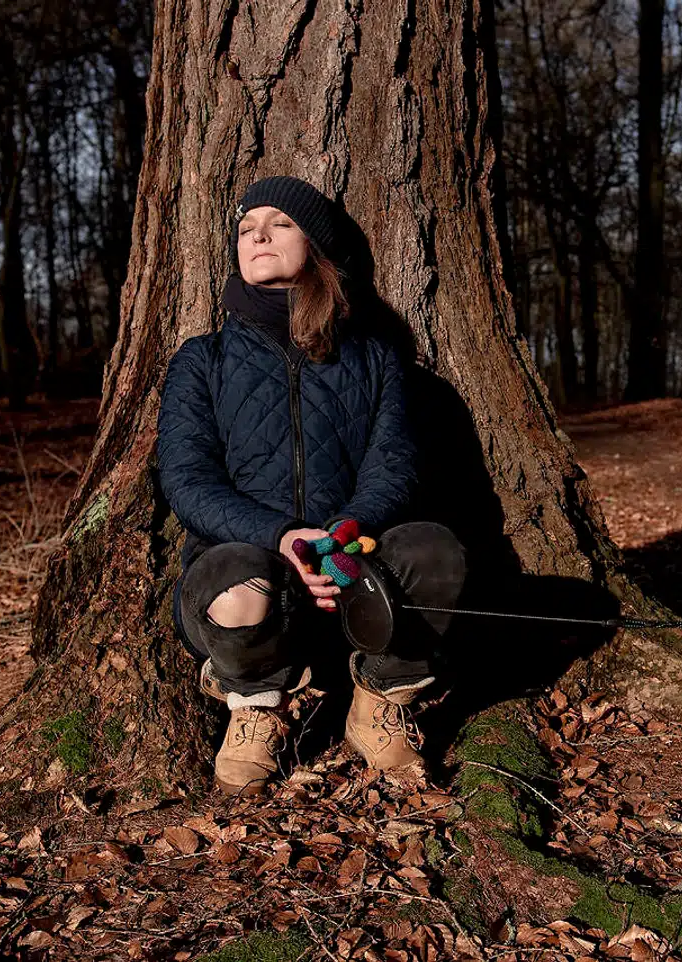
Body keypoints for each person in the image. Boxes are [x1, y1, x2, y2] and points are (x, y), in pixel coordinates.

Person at [157, 175, 466, 795]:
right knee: (234, 585)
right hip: (253, 572)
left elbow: (395, 464)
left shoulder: (373, 356)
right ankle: (255, 708)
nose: (258, 236)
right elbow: (186, 480)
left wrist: (338, 537)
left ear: (316, 245)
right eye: (246, 229)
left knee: (435, 552)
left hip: (350, 569)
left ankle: (378, 702)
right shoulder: (203, 360)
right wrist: (281, 537)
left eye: (280, 224)